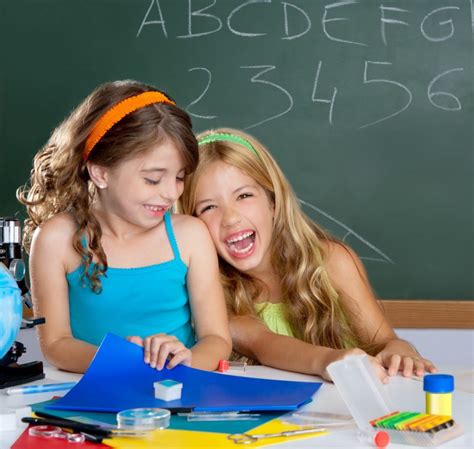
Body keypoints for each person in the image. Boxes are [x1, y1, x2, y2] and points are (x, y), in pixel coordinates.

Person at [179, 128, 436, 382]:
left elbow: (385, 341)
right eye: (208, 207)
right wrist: (327, 361)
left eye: (244, 195)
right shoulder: (215, 294)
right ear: (191, 224)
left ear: (273, 201)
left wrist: (400, 351)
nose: (231, 218)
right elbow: (263, 344)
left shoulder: (333, 261)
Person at [17, 81, 231, 374]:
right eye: (153, 179)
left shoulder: (190, 236)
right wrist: (120, 361)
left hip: (179, 390)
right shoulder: (56, 240)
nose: (171, 193)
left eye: (179, 177)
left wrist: (188, 360)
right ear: (101, 172)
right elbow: (56, 343)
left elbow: (216, 339)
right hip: (95, 396)